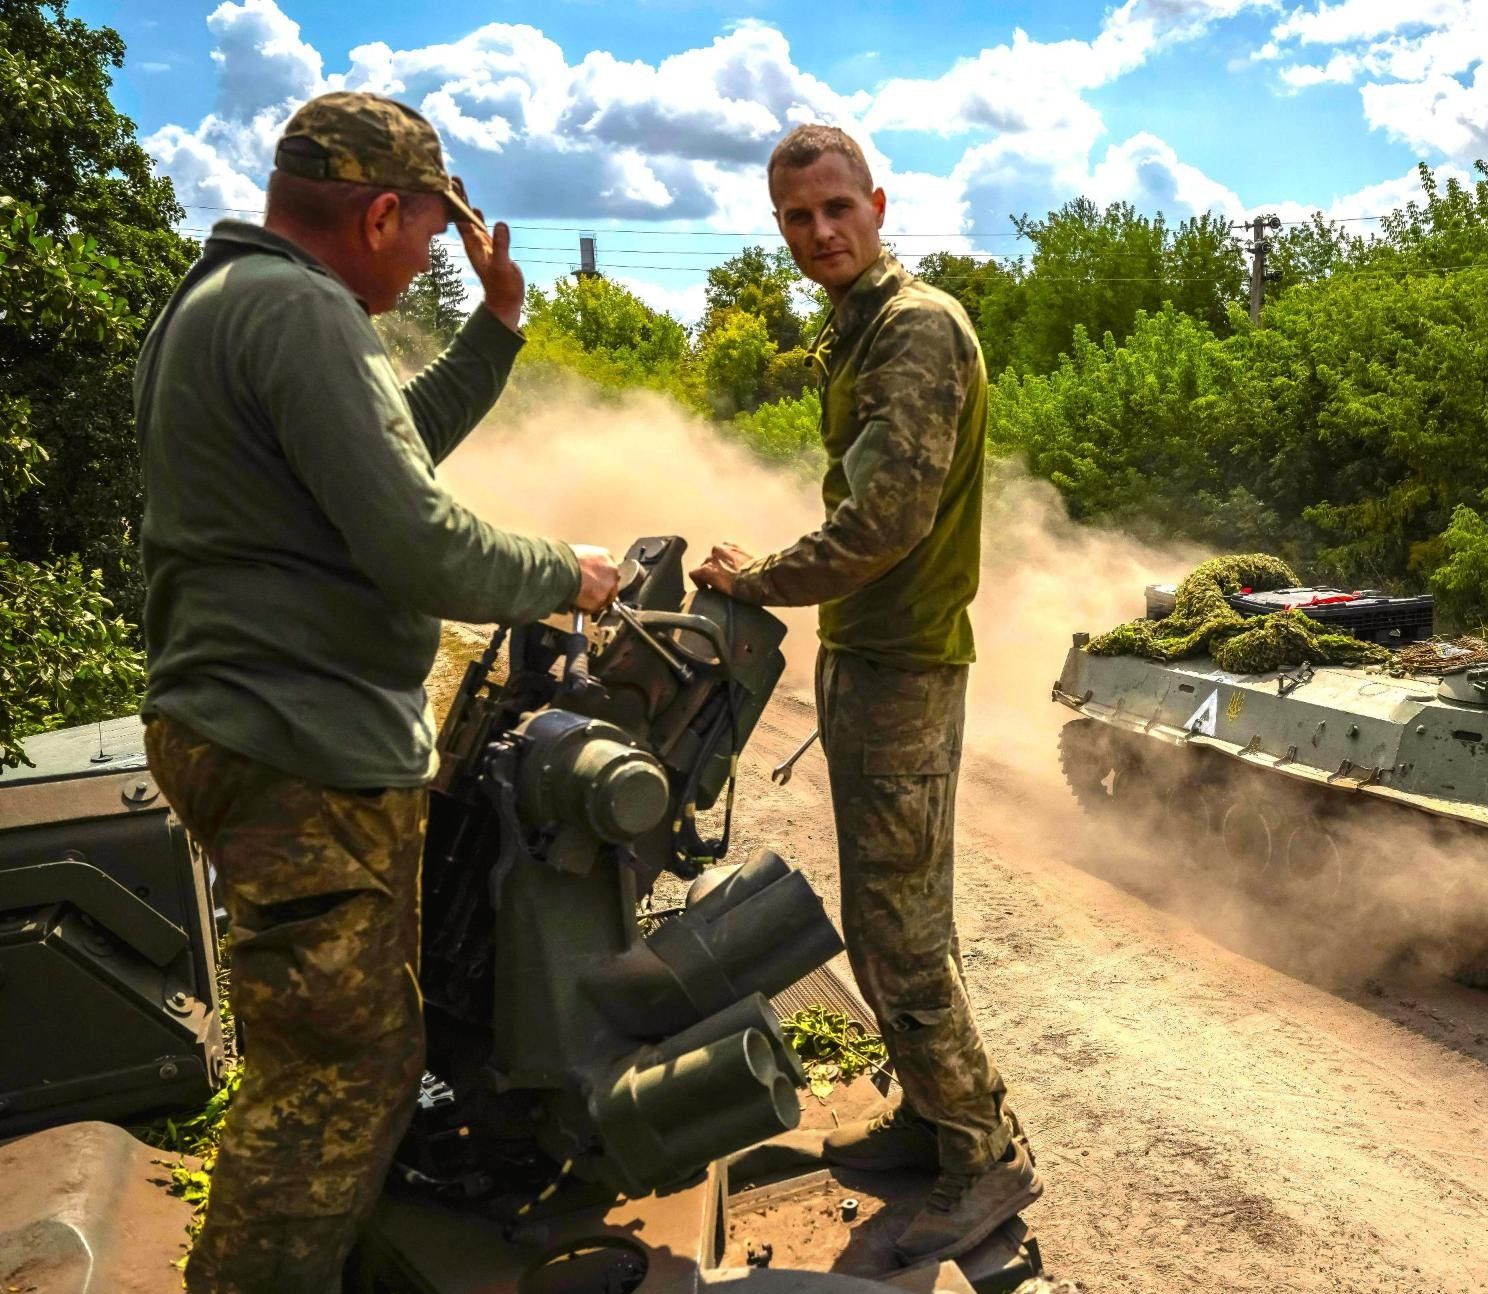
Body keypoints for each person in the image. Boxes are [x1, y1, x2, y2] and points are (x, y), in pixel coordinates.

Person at [134, 91, 620, 1294]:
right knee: (334, 1076)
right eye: (426, 236)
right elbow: (416, 537)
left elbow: (381, 444)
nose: (425, 260)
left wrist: (495, 333)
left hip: (260, 731)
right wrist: (569, 572)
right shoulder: (303, 312)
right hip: (296, 748)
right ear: (383, 212)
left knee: (352, 1050)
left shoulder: (229, 300)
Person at [689, 123, 1038, 1265]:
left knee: (898, 932)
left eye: (836, 208)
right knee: (885, 913)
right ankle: (932, 1118)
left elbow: (884, 521)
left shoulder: (915, 328)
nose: (818, 233)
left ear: (878, 204)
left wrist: (761, 580)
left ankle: (982, 1157)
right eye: (796, 217)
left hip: (901, 661)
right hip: (870, 654)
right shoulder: (857, 330)